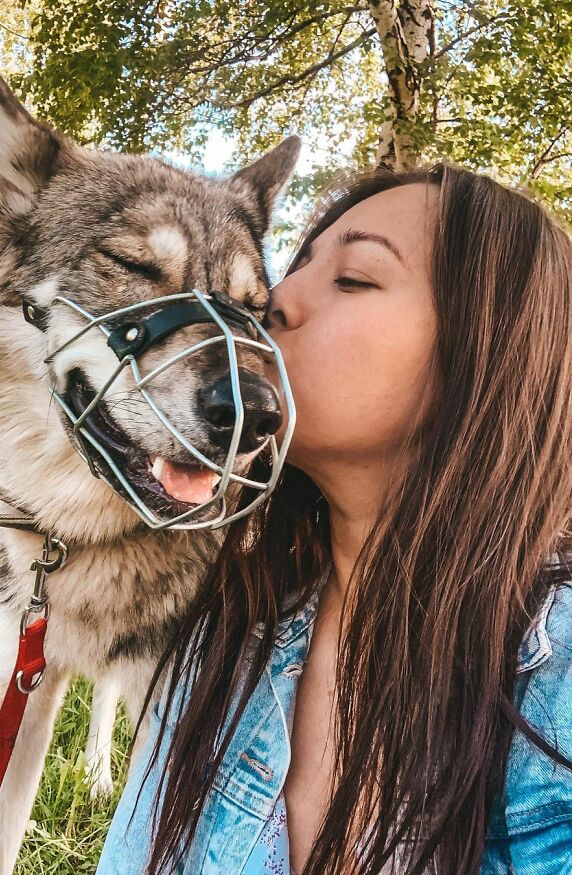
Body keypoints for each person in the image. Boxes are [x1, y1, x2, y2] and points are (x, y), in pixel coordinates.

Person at [97, 160, 572, 874]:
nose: (272, 299)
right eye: (290, 269)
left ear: (489, 353)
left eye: (354, 277)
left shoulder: (556, 684)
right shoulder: (226, 632)